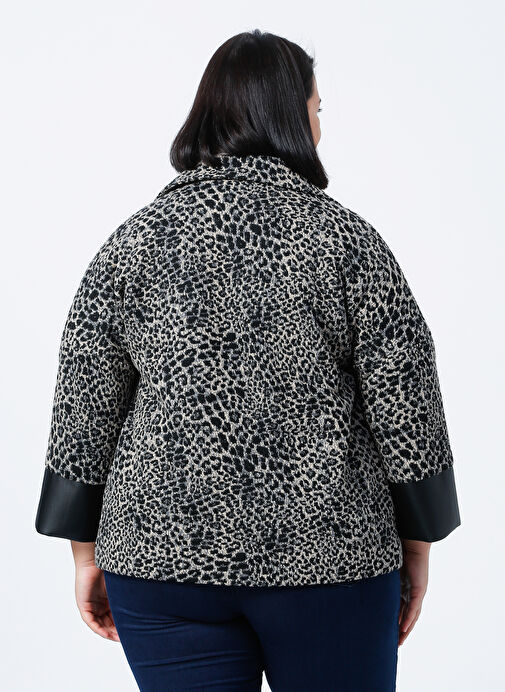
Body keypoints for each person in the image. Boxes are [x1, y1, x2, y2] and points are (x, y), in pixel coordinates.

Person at [34, 29, 461, 692]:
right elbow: (407, 402)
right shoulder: (347, 242)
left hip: (158, 560)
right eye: (317, 108)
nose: (320, 125)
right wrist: (419, 538)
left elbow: (83, 401)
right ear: (291, 117)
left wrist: (83, 548)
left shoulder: (133, 243)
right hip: (331, 561)